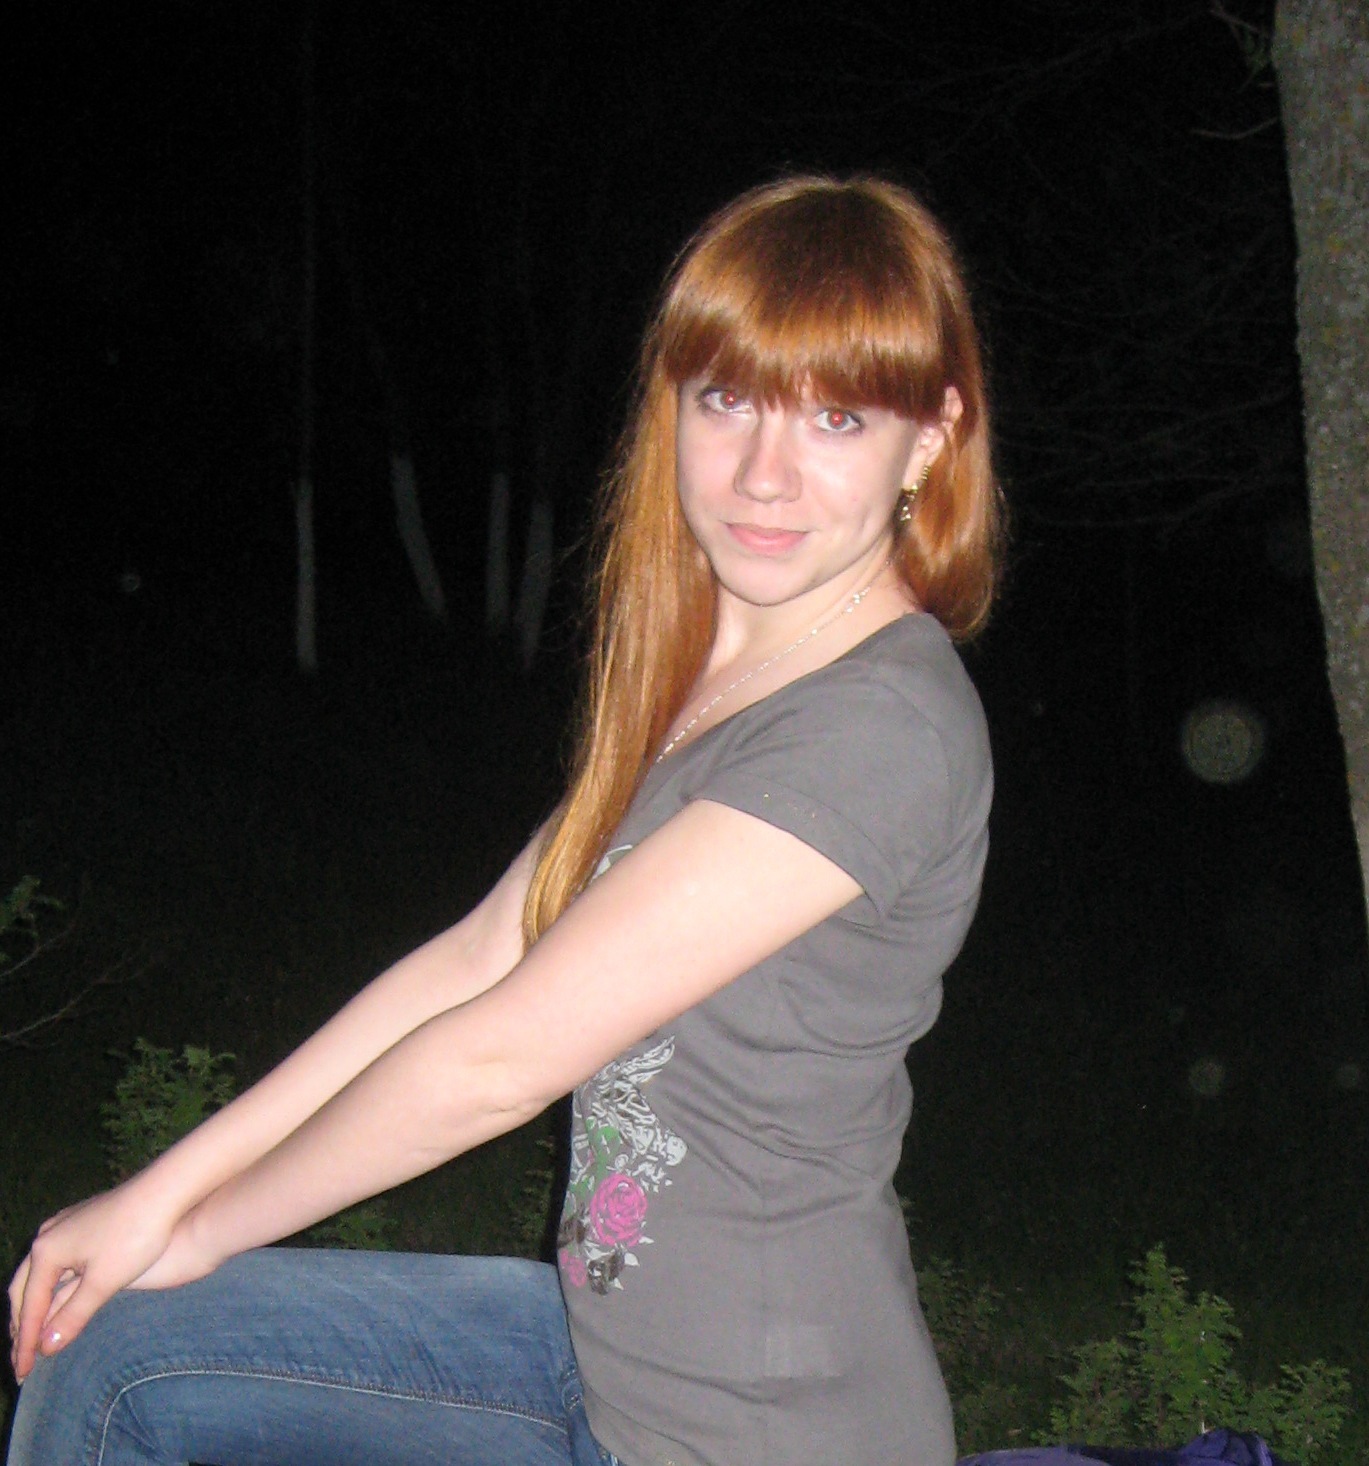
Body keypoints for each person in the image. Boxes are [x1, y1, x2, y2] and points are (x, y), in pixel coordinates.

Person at [7, 173, 1002, 1466]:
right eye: (726, 399)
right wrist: (161, 1193)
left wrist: (199, 1233)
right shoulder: (711, 683)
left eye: (836, 416)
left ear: (929, 438)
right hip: (595, 1363)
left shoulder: (882, 725)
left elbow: (497, 1060)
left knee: (142, 1309)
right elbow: (484, 952)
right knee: (114, 1352)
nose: (765, 472)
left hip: (756, 1432)